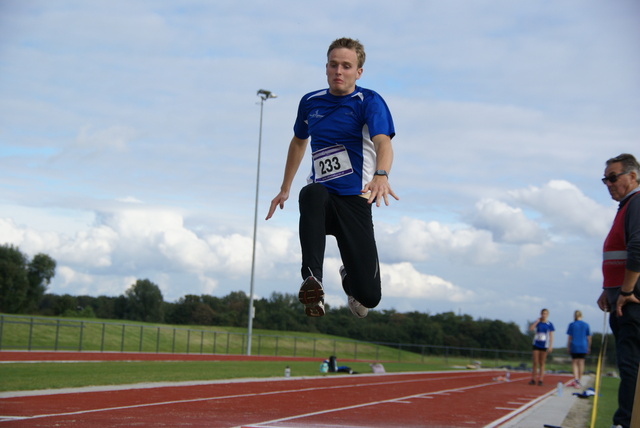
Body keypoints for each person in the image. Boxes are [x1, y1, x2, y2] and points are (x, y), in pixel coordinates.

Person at [266, 37, 397, 318]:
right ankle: (313, 282)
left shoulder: (368, 101)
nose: (339, 71)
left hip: (355, 200)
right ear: (326, 67)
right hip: (323, 197)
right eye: (334, 65)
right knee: (311, 193)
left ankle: (349, 276)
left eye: (346, 66)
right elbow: (299, 142)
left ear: (358, 72)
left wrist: (381, 175)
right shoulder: (310, 102)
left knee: (369, 298)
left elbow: (383, 142)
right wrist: (285, 188)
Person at [596, 153, 640, 428]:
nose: (609, 184)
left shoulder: (636, 203)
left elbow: (637, 247)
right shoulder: (627, 206)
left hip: (630, 302)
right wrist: (608, 288)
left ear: (632, 176)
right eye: (605, 179)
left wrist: (625, 291)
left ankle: (625, 423)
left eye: (613, 177)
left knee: (630, 365)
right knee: (628, 364)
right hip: (619, 298)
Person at [529, 308, 554, 386]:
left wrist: (550, 346)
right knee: (535, 362)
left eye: (545, 314)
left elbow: (551, 335)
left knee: (542, 362)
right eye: (543, 314)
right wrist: (537, 321)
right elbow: (531, 329)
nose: (544, 315)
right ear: (541, 314)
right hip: (536, 343)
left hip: (544, 345)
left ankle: (541, 379)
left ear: (547, 315)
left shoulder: (549, 324)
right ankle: (533, 379)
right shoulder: (538, 323)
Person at [566, 310, 591, 388]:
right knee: (581, 363)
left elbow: (570, 337)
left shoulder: (572, 325)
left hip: (574, 345)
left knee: (574, 363)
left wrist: (568, 346)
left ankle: (576, 379)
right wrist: (589, 346)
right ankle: (579, 380)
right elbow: (589, 337)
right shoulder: (586, 325)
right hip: (583, 345)